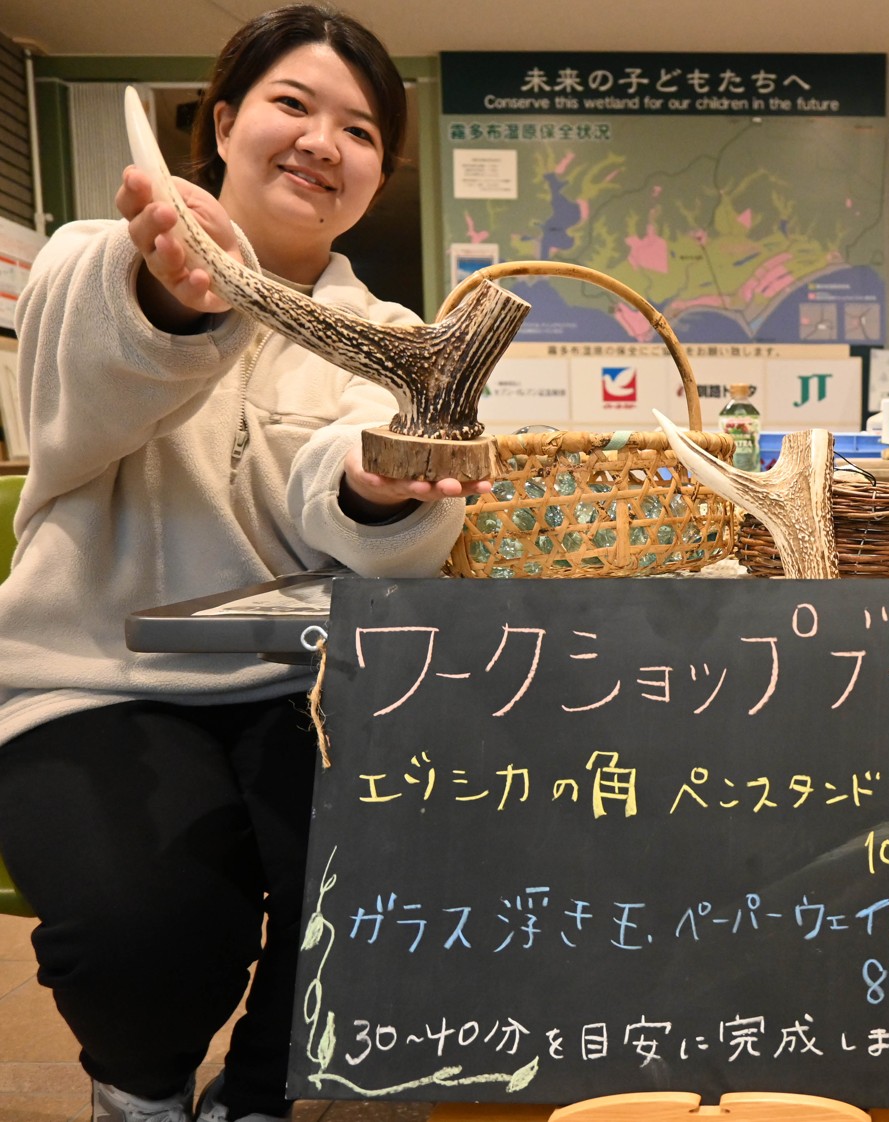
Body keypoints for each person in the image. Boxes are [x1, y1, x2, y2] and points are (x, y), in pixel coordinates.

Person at [0, 7, 489, 1122]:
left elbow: (362, 507)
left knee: (415, 872)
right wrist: (176, 296)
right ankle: (140, 1091)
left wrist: (374, 489)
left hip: (309, 684)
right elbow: (88, 389)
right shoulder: (93, 260)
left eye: (360, 130)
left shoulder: (393, 335)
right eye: (293, 105)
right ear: (222, 123)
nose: (324, 142)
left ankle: (268, 1091)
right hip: (91, 678)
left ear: (378, 175)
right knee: (146, 927)